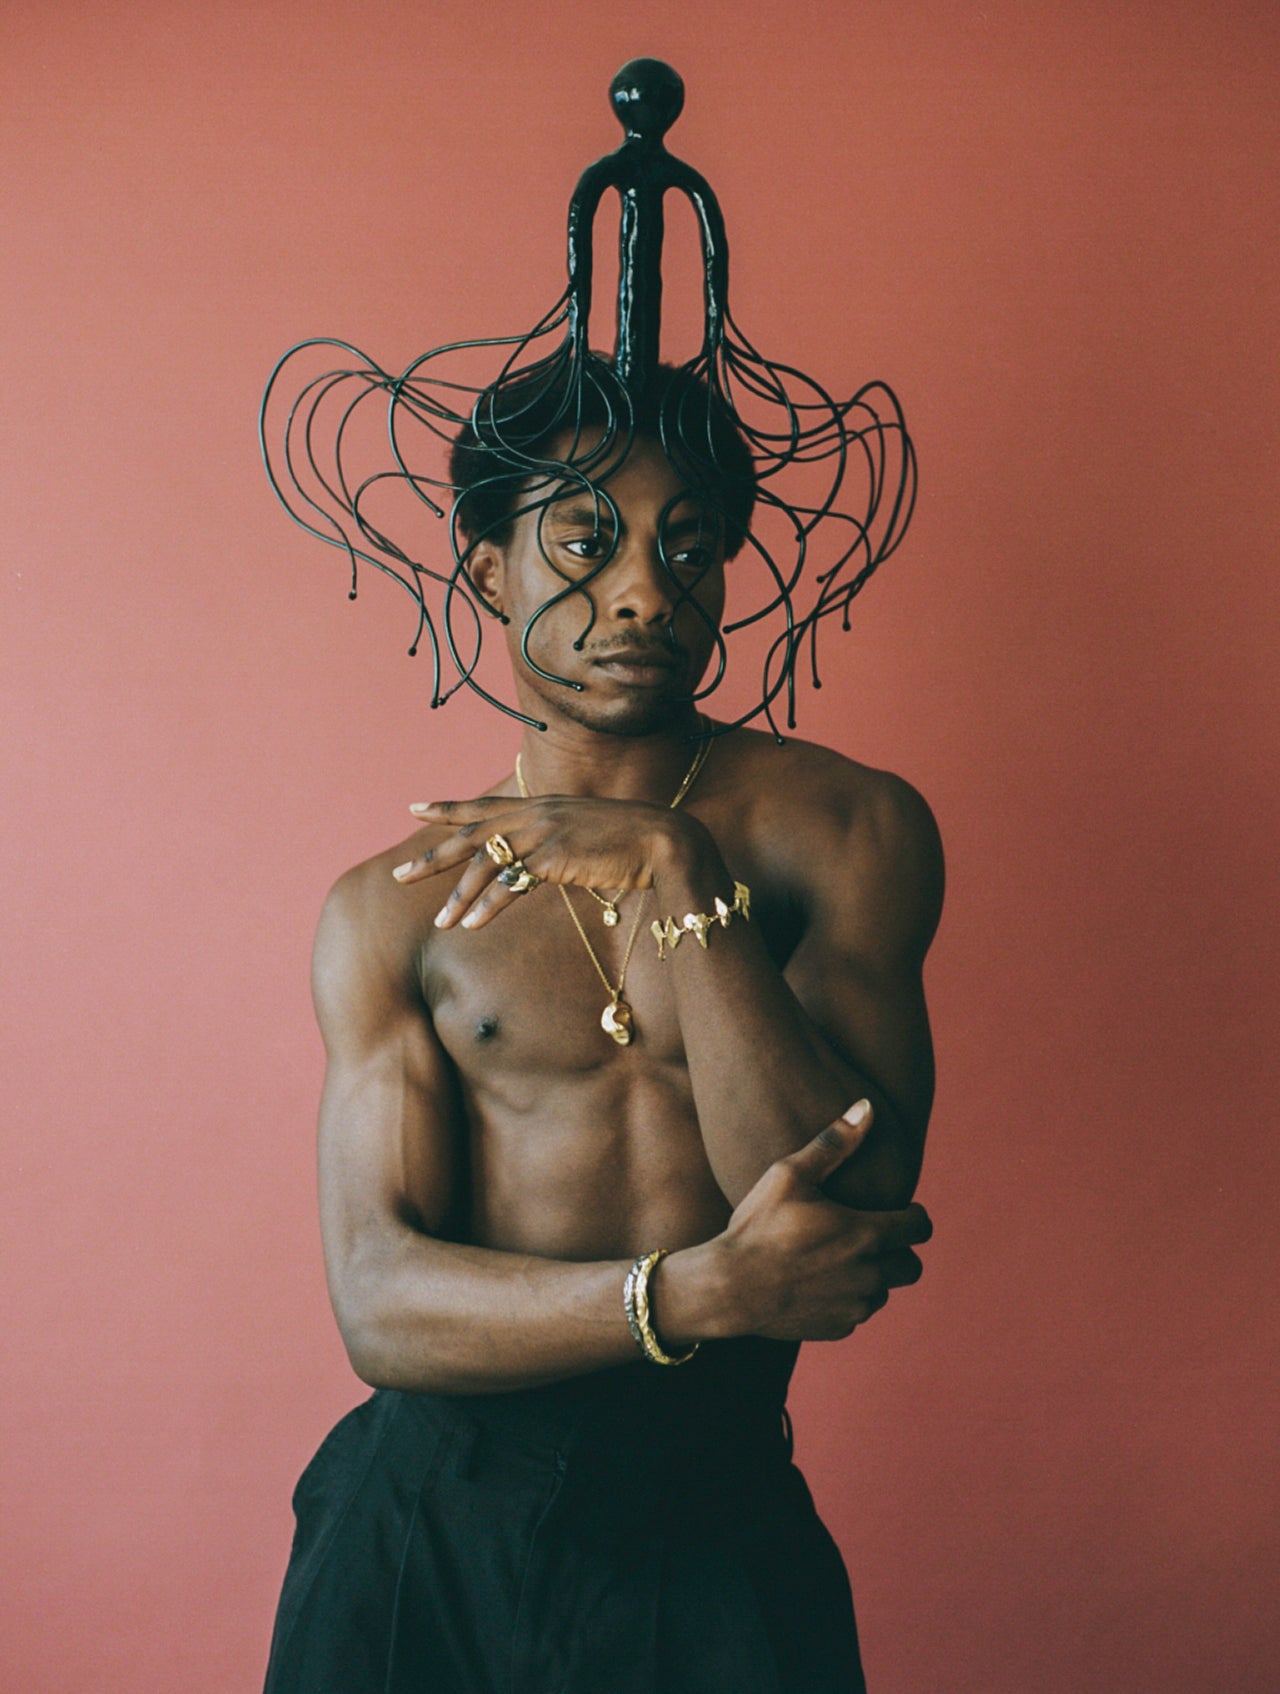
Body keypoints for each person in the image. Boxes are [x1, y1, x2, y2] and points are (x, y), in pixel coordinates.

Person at [262, 362, 943, 1694]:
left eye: (690, 547)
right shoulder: (392, 909)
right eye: (585, 541)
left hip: (711, 1514)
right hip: (424, 1528)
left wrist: (683, 872)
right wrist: (686, 1294)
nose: (644, 593)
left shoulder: (848, 829)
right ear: (487, 570)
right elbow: (379, 1302)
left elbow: (848, 1206)